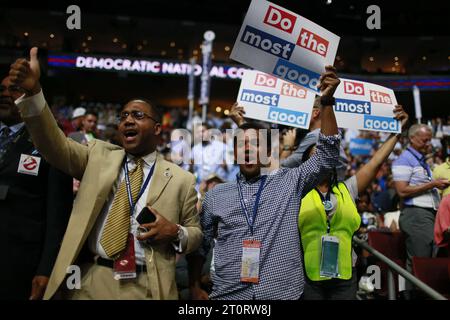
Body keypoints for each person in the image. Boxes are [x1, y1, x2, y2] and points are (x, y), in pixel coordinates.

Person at [9, 47, 202, 300]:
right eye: (123, 116)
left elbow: (196, 234)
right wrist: (34, 93)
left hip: (148, 285)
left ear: (157, 129)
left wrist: (175, 232)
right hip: (92, 280)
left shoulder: (181, 179)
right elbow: (53, 145)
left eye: (138, 115)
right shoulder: (97, 156)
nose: (128, 120)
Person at [188, 65, 341, 300]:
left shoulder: (290, 182)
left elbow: (327, 156)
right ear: (234, 153)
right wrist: (194, 285)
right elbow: (202, 245)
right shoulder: (216, 195)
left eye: (255, 144)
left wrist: (328, 103)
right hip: (230, 296)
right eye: (241, 145)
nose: (248, 148)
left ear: (268, 153)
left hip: (281, 293)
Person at [298, 105, 409, 300]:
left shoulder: (346, 189)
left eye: (325, 156)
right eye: (315, 156)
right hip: (307, 276)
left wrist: (396, 133)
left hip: (344, 276)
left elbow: (375, 163)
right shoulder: (296, 192)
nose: (321, 161)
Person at [0, 74, 72, 300]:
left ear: (31, 96)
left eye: (13, 89)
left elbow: (58, 212)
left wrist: (47, 267)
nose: (4, 94)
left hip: (19, 260)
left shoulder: (49, 139)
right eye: (1, 89)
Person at [392, 124, 450, 296]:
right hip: (416, 214)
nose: (428, 144)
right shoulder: (404, 159)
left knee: (425, 260)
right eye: (425, 140)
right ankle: (412, 295)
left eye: (429, 140)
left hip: (426, 214)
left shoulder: (420, 160)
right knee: (420, 261)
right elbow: (402, 190)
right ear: (412, 138)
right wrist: (433, 184)